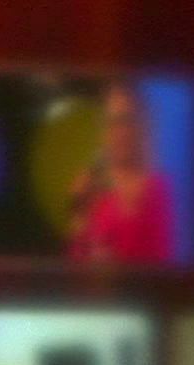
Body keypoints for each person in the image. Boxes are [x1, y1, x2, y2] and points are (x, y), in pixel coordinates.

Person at [67, 81, 176, 265]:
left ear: (142, 124)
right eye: (110, 122)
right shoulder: (92, 193)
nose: (118, 131)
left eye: (126, 120)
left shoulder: (165, 190)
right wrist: (78, 213)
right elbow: (76, 264)